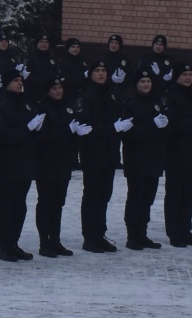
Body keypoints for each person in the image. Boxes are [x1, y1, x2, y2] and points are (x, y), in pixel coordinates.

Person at [74, 61, 128, 252]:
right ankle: (89, 237)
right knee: (92, 195)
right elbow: (87, 127)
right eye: (97, 70)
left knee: (104, 196)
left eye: (104, 70)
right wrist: (113, 128)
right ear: (90, 74)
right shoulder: (85, 96)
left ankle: (99, 233)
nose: (101, 74)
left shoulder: (111, 94)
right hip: (92, 153)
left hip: (110, 153)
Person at [0, 69, 36, 261]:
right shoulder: (0, 106)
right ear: (7, 83)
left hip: (25, 161)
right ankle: (4, 245)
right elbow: (3, 136)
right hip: (7, 163)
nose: (20, 83)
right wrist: (27, 129)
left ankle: (14, 242)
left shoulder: (26, 104)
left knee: (20, 205)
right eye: (15, 80)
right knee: (7, 205)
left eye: (21, 80)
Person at [120, 71, 168, 249]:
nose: (146, 84)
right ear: (136, 84)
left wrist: (162, 127)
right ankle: (132, 235)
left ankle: (142, 232)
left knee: (148, 198)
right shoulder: (130, 105)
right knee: (136, 197)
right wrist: (152, 126)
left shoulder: (156, 103)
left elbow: (163, 130)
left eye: (148, 81)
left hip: (154, 158)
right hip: (136, 159)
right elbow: (129, 134)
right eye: (142, 81)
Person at [163, 64, 192, 248]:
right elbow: (174, 124)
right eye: (184, 74)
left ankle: (186, 230)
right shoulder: (171, 96)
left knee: (190, 194)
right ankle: (174, 232)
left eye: (190, 74)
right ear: (177, 77)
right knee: (175, 194)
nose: (188, 78)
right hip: (177, 152)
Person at [30, 80, 75, 257]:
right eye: (54, 88)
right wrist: (67, 131)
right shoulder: (42, 108)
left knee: (58, 203)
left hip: (63, 161)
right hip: (46, 162)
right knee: (46, 202)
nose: (58, 91)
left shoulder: (66, 107)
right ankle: (44, 242)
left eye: (60, 88)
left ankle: (55, 240)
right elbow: (41, 137)